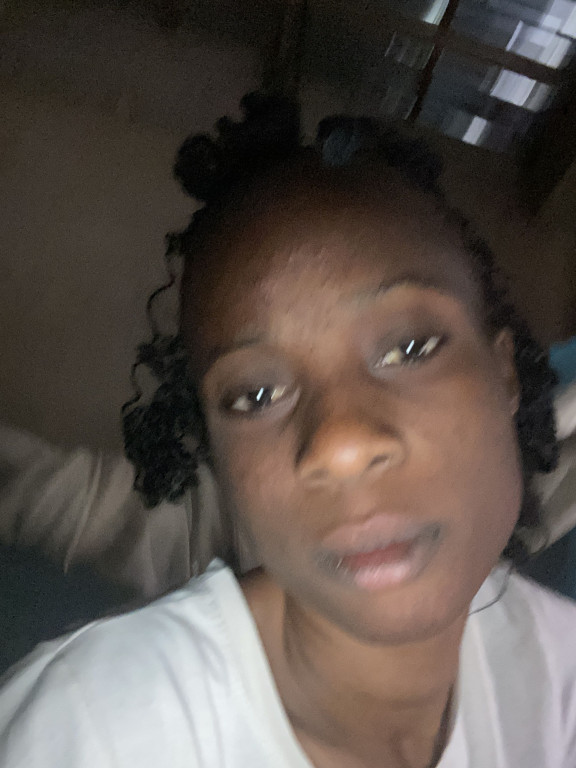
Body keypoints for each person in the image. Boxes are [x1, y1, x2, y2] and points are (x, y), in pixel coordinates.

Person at [1, 92, 575, 768]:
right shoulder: (96, 732)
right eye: (257, 395)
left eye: (410, 348)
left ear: (505, 374)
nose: (341, 444)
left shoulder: (560, 675)